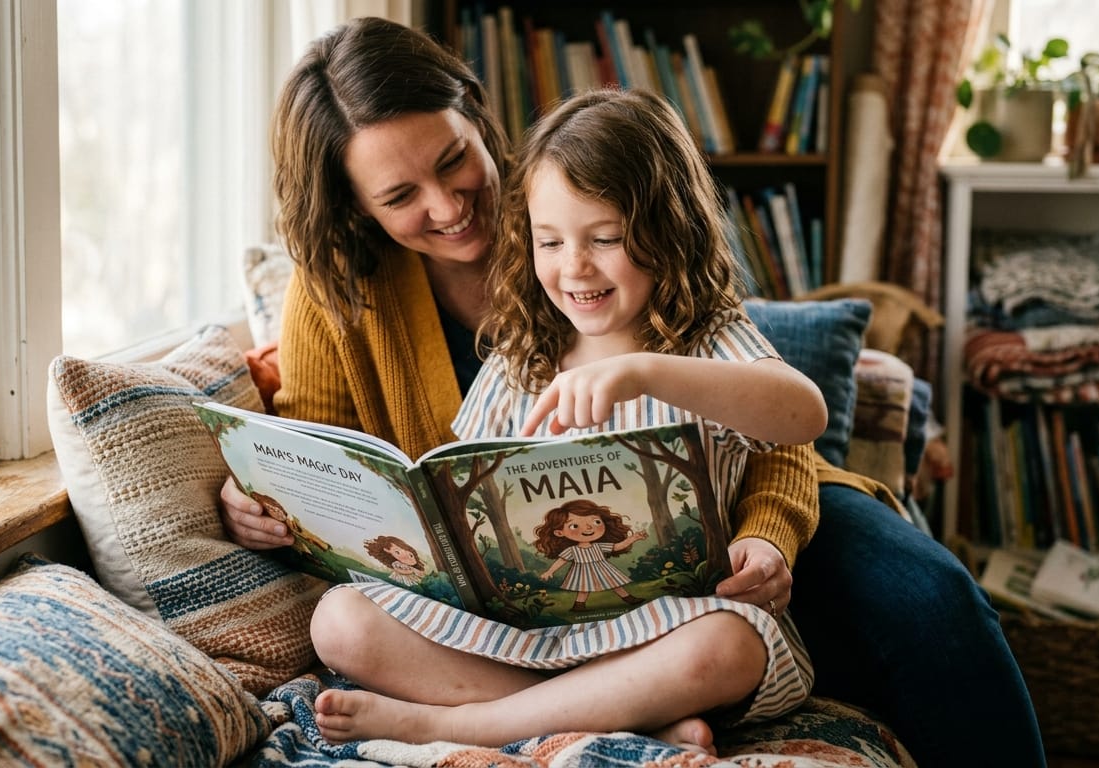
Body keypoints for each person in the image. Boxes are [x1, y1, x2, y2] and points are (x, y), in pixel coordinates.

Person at [221, 16, 1046, 767]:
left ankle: (518, 714)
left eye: (453, 160)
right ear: (356, 209)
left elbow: (780, 430)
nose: (447, 205)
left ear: (475, 115)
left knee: (929, 598)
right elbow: (326, 450)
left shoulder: (577, 188)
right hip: (524, 607)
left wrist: (769, 537)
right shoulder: (344, 295)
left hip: (723, 532)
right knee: (341, 620)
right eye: (399, 197)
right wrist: (263, 493)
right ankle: (613, 718)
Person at [309, 87, 836, 749]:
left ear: (669, 231)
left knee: (726, 645)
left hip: (670, 632)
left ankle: (468, 723)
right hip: (536, 634)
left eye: (605, 238)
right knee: (340, 620)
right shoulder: (524, 352)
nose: (574, 267)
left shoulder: (707, 341)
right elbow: (468, 493)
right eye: (550, 241)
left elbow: (803, 415)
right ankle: (628, 715)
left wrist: (644, 371)